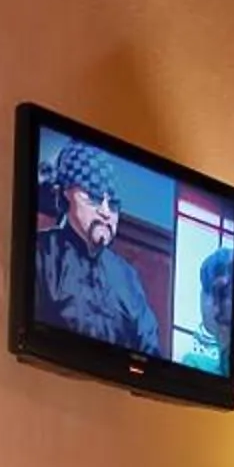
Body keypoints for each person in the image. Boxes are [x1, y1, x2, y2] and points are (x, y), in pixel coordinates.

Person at [33, 143, 164, 357]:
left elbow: (150, 353)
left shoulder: (127, 277)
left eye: (112, 204)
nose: (105, 213)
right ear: (65, 195)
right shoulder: (41, 253)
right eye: (93, 198)